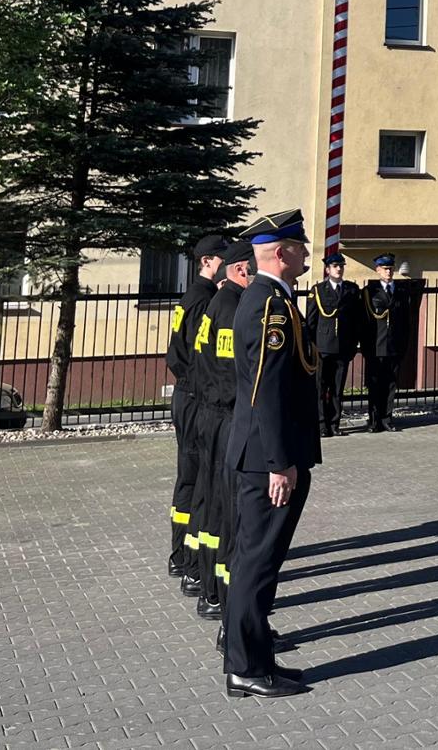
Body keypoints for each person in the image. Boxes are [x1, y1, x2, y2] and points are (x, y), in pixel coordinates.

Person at [222, 210, 319, 699]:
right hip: (267, 461)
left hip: (268, 456)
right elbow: (267, 392)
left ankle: (257, 660)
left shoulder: (272, 298)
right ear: (280, 253)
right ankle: (245, 667)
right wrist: (280, 462)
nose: (307, 252)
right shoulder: (268, 307)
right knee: (256, 565)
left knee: (259, 563)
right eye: (300, 246)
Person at [188, 239, 253, 623]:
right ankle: (219, 598)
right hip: (222, 416)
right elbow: (231, 373)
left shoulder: (218, 301)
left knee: (213, 507)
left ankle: (212, 591)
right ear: (241, 269)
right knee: (225, 512)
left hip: (207, 410)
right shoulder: (229, 306)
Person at [165, 233, 225, 592]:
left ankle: (181, 554)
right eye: (220, 258)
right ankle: (187, 558)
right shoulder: (203, 300)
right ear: (206, 261)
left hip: (186, 395)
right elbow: (194, 356)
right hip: (193, 398)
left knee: (188, 478)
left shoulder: (194, 296)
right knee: (194, 478)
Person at [308, 254, 363, 437]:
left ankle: (335, 424)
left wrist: (353, 345)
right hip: (323, 348)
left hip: (343, 347)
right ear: (327, 269)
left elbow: (357, 321)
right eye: (335, 266)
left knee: (338, 388)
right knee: (321, 387)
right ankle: (321, 424)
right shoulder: (318, 290)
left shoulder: (352, 290)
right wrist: (312, 347)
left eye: (341, 266)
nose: (339, 269)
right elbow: (312, 321)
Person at [362, 253, 413, 433]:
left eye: (391, 269)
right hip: (376, 346)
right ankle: (374, 420)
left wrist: (404, 345)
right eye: (385, 269)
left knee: (391, 385)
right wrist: (365, 347)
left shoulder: (401, 292)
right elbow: (365, 322)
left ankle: (387, 419)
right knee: (375, 385)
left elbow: (406, 322)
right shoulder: (370, 293)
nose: (388, 272)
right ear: (378, 270)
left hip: (394, 346)